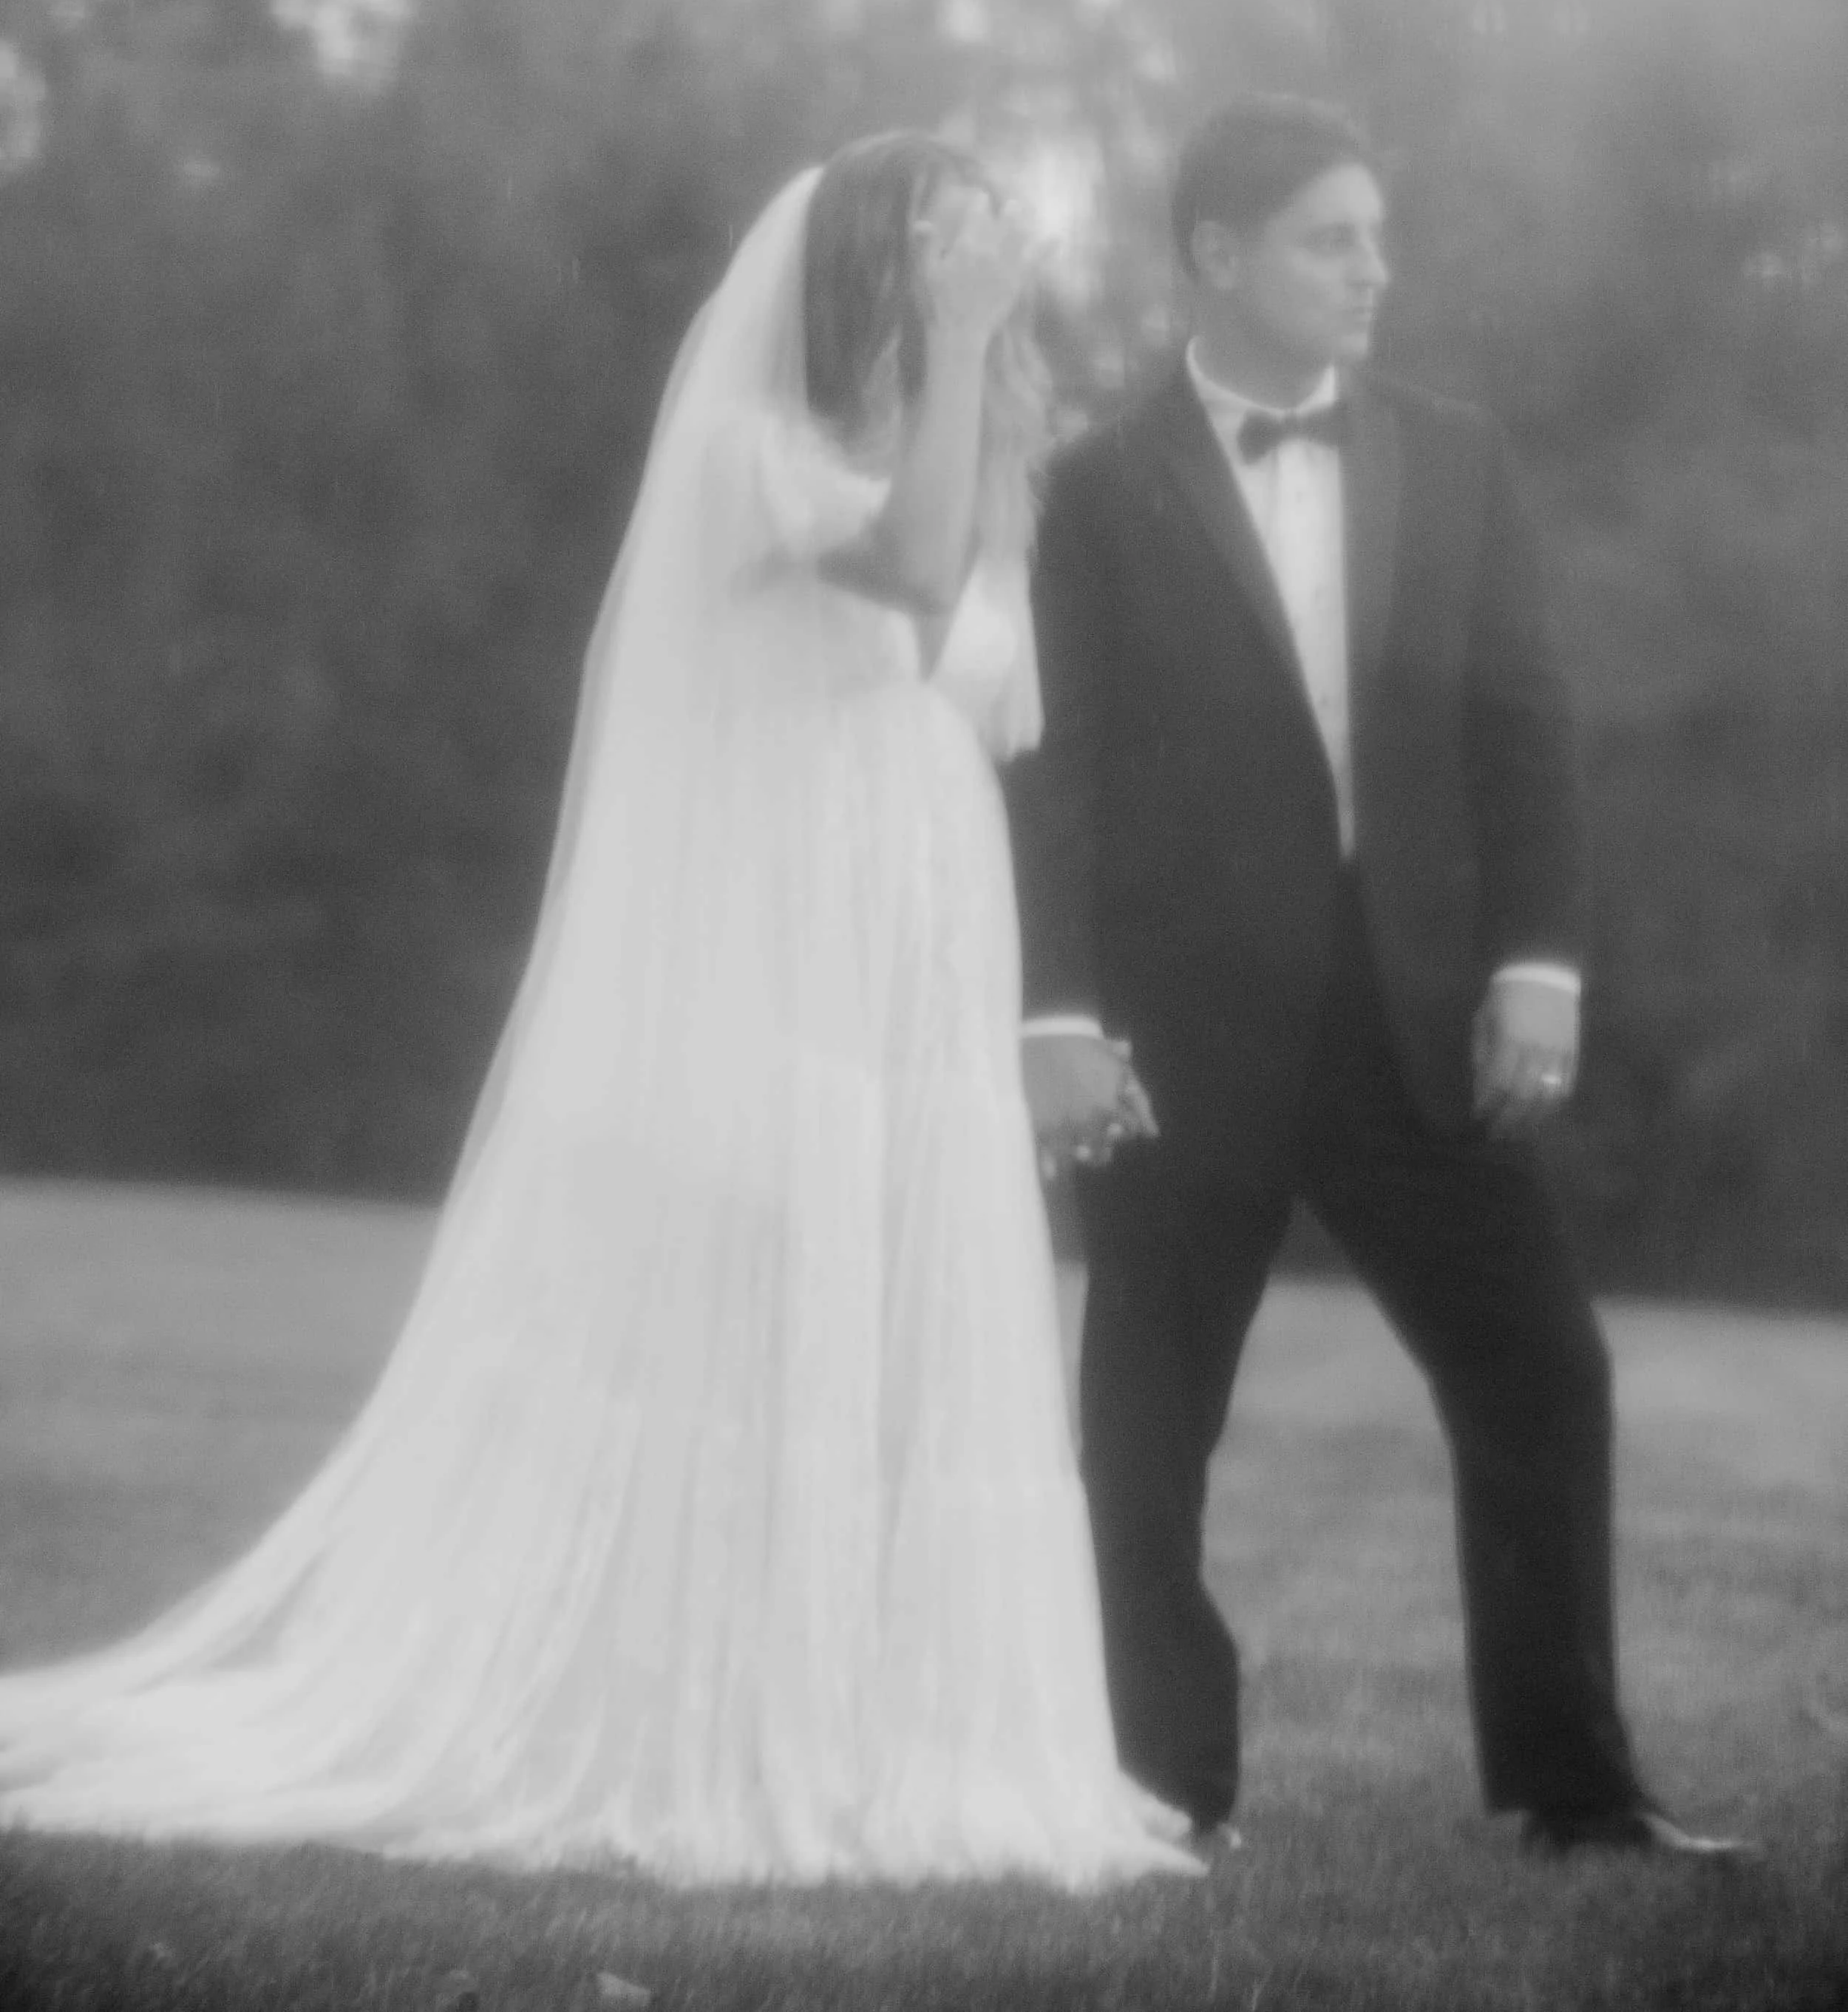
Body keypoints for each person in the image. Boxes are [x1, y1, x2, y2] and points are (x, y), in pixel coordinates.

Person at [0, 134, 1192, 1888]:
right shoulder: (747, 452)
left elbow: (990, 702)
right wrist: (955, 349)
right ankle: (710, 1720)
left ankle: (887, 1734)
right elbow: (920, 577)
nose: (989, 292)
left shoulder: (971, 462)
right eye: (955, 257)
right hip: (783, 927)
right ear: (883, 268)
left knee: (891, 1334)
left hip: (920, 940)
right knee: (761, 1331)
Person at [1006, 93, 1742, 1861]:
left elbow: (1524, 730)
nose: (1369, 271)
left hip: (1421, 1021)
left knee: (1541, 1374)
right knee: (1146, 1417)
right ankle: (1163, 1788)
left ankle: (1576, 1790)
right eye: (1330, 239)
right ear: (1215, 256)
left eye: (1373, 237)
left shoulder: (1453, 454)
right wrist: (1056, 1015)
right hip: (1181, 1039)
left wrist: (1538, 966)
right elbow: (1060, 773)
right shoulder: (1096, 488)